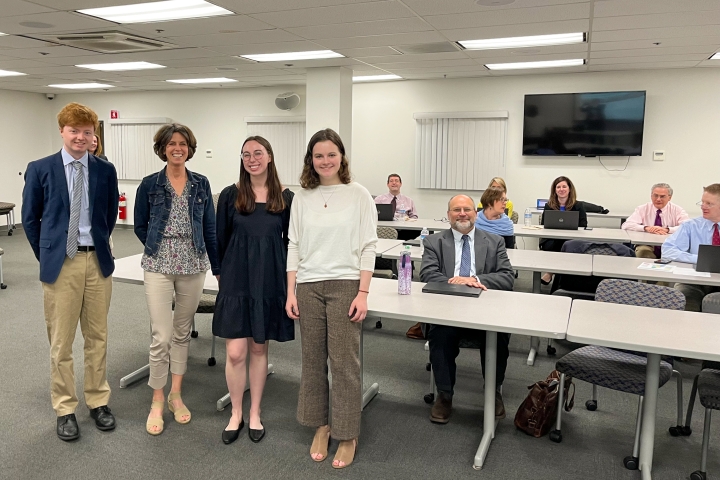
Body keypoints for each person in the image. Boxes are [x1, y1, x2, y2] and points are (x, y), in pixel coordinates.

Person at [21, 102, 119, 441]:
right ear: (62, 131)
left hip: (98, 263)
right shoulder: (40, 168)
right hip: (61, 264)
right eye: (74, 130)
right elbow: (30, 220)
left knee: (98, 338)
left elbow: (107, 216)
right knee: (61, 343)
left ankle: (98, 401)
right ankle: (65, 408)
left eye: (87, 131)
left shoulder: (105, 170)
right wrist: (49, 255)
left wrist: (97, 248)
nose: (81, 137)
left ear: (94, 136)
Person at [285, 128, 377, 469]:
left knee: (343, 364)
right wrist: (290, 290)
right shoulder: (302, 196)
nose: (325, 161)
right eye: (318, 155)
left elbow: (369, 245)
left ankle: (348, 432)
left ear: (342, 157)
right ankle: (322, 425)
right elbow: (293, 244)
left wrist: (363, 292)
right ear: (311, 160)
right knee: (311, 362)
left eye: (331, 154)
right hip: (308, 286)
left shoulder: (358, 194)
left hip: (345, 285)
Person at [134, 123, 220, 435]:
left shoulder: (201, 183)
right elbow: (140, 226)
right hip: (158, 264)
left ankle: (175, 394)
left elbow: (209, 228)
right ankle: (157, 399)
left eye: (182, 143)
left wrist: (217, 266)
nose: (177, 148)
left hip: (194, 264)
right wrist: (161, 247)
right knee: (161, 335)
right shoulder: (149, 184)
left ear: (189, 148)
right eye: (171, 143)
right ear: (162, 148)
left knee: (182, 333)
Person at [213, 136, 295, 445]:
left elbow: (292, 244)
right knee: (235, 352)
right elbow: (219, 238)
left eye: (258, 153)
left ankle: (255, 412)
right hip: (236, 279)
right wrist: (221, 275)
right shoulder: (231, 195)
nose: (252, 159)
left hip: (269, 278)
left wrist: (290, 287)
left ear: (270, 157)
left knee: (259, 347)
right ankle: (236, 412)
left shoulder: (285, 198)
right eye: (246, 154)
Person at [420, 194, 514, 424]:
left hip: (484, 309)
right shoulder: (434, 242)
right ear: (448, 214)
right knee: (440, 335)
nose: (462, 213)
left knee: (499, 334)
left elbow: (507, 277)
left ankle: (493, 392)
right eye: (456, 210)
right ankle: (445, 395)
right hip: (447, 309)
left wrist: (473, 279)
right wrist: (456, 281)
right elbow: (428, 274)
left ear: (476, 212)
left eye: (467, 209)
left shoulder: (494, 241)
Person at [662, 184, 720, 311]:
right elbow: (667, 251)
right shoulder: (690, 226)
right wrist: (699, 259)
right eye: (702, 202)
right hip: (694, 280)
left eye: (709, 203)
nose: (703, 206)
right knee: (684, 302)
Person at [539, 176, 587, 284]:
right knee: (558, 244)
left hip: (571, 238)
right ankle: (558, 276)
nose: (561, 189)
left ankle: (551, 273)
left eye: (564, 186)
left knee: (566, 244)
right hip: (552, 238)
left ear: (569, 189)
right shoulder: (549, 205)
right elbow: (543, 224)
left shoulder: (578, 206)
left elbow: (583, 225)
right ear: (555, 190)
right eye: (558, 187)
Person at [622, 183, 689, 259]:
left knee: (675, 258)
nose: (658, 199)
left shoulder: (677, 210)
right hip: (646, 244)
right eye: (655, 195)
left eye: (662, 196)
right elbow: (626, 225)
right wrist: (646, 228)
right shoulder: (642, 208)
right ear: (651, 196)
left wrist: (667, 230)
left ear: (669, 197)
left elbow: (687, 227)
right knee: (644, 254)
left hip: (671, 244)